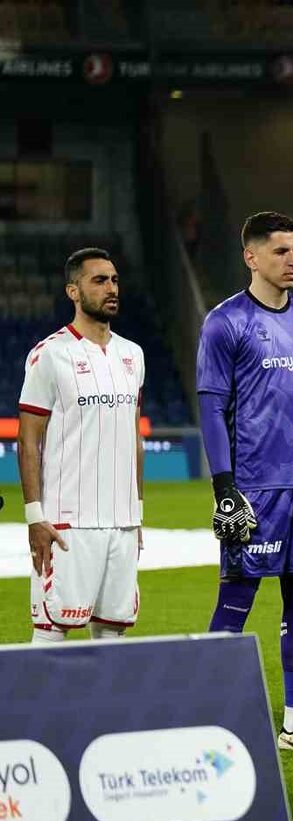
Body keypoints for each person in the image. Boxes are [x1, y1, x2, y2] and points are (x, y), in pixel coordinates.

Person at [197, 211, 293, 754]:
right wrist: (225, 491)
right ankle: (207, 719)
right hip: (256, 489)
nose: (292, 260)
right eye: (281, 251)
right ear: (252, 257)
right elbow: (212, 410)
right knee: (236, 602)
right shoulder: (226, 323)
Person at [21, 248, 143, 642]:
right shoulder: (50, 354)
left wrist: (136, 513)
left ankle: (103, 708)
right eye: (99, 280)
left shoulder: (132, 355)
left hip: (122, 522)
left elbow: (134, 439)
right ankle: (30, 708)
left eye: (114, 280)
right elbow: (28, 438)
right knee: (51, 632)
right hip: (66, 524)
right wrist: (35, 517)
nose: (111, 288)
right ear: (73, 291)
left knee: (112, 635)